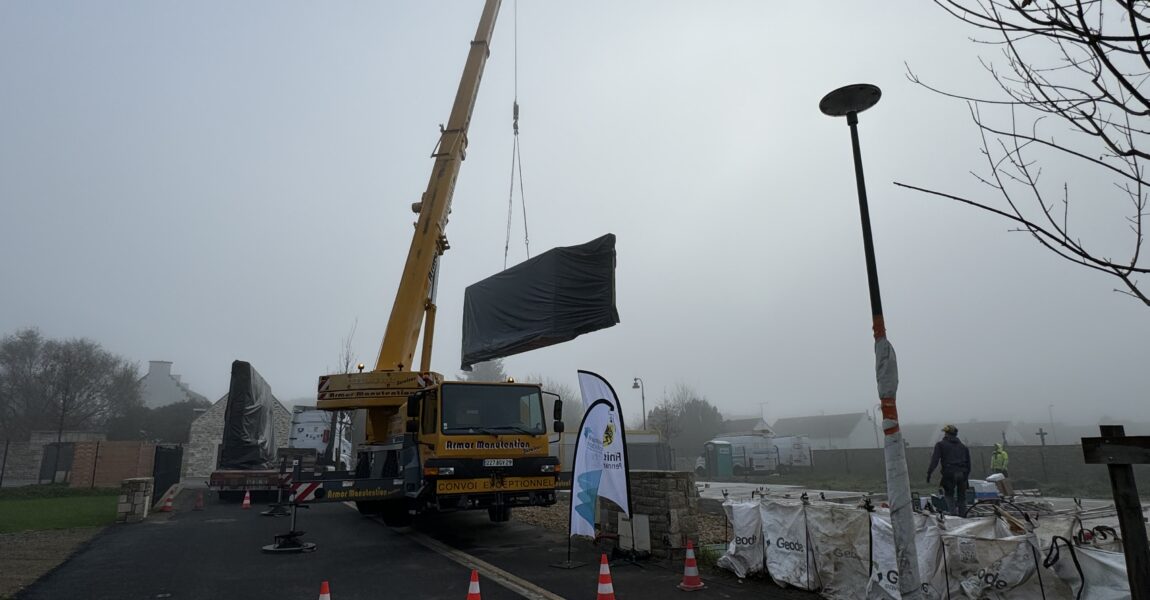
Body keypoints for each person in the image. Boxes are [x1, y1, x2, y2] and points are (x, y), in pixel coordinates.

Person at [926, 424, 971, 516]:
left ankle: (953, 516)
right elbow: (969, 463)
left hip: (949, 473)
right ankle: (963, 517)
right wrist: (966, 476)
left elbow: (935, 460)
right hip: (962, 473)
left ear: (947, 434)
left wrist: (929, 473)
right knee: (962, 497)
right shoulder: (963, 447)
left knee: (949, 495)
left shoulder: (940, 445)